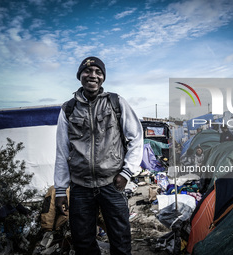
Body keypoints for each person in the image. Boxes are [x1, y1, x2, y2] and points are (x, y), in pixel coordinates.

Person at [54, 56, 143, 255]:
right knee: (83, 243)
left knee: (120, 240)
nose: (92, 75)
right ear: (80, 76)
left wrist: (127, 172)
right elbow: (62, 151)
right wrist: (60, 190)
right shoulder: (68, 109)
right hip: (80, 187)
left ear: (103, 78)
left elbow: (136, 137)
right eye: (87, 71)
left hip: (112, 184)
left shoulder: (116, 102)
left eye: (98, 72)